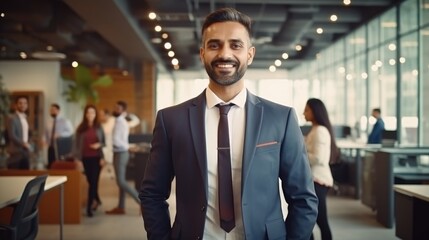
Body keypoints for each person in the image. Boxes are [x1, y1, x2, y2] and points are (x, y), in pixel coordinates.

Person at [140, 8, 318, 240]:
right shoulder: (171, 120)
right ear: (202, 53)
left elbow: (303, 198)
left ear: (250, 54)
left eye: (236, 45)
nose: (225, 54)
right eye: (214, 45)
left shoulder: (280, 118)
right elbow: (152, 193)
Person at [303, 98, 338, 240]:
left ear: (315, 111)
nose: (303, 113)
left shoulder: (320, 131)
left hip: (319, 180)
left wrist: (300, 154)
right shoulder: (315, 129)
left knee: (320, 220)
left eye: (306, 110)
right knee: (310, 219)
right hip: (315, 180)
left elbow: (319, 158)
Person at [105, 101, 140, 215]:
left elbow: (118, 141)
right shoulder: (116, 121)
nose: (115, 110)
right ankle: (121, 207)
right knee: (120, 182)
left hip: (121, 153)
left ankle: (142, 202)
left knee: (121, 181)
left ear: (123, 111)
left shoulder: (122, 123)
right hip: (117, 152)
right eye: (115, 108)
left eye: (118, 109)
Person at [71, 104, 105, 217]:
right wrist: (78, 159)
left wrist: (99, 146)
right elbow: (75, 146)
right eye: (88, 113)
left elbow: (103, 142)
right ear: (85, 114)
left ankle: (89, 208)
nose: (90, 115)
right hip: (84, 159)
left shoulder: (99, 127)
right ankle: (97, 199)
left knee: (94, 182)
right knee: (91, 182)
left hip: (96, 158)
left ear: (95, 114)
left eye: (93, 113)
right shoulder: (80, 129)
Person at [5, 96, 32, 169]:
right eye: (20, 103)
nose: (23, 105)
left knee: (26, 175)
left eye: (25, 103)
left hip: (25, 152)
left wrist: (28, 143)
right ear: (15, 105)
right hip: (15, 152)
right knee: (14, 175)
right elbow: (12, 135)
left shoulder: (26, 118)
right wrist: (23, 144)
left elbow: (28, 134)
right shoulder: (11, 118)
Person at [44, 103, 74, 168]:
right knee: (51, 165)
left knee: (59, 165)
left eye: (53, 110)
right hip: (51, 147)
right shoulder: (48, 122)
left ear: (58, 111)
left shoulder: (65, 121)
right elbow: (46, 133)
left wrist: (60, 134)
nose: (52, 111)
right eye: (51, 110)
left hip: (60, 147)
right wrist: (44, 140)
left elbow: (70, 132)